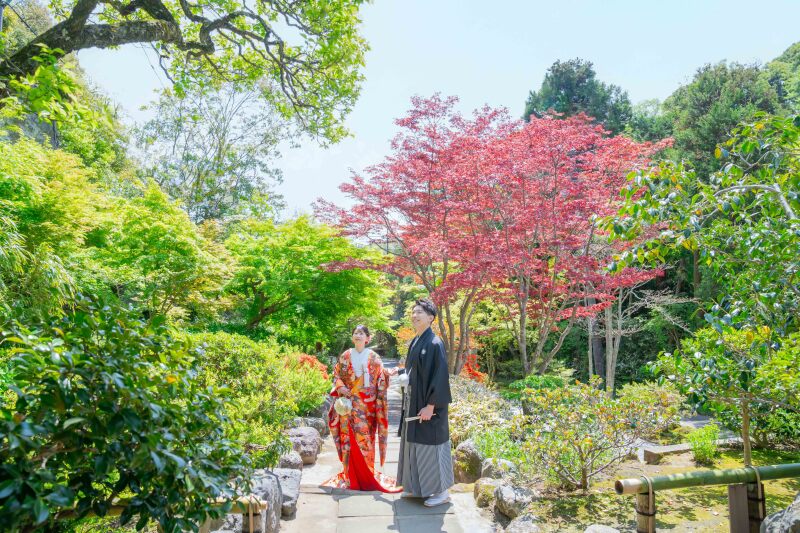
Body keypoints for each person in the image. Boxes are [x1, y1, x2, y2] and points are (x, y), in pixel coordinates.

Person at [324, 325, 400, 492]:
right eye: (355, 333)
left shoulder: (373, 357)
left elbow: (381, 375)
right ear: (353, 338)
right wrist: (340, 387)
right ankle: (350, 475)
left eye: (361, 333)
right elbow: (336, 374)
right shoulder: (345, 356)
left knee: (365, 439)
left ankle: (367, 475)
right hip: (348, 404)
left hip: (367, 407)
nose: (357, 335)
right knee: (348, 440)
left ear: (368, 338)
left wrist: (388, 374)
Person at [397, 298, 454, 507]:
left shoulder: (434, 343)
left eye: (419, 312)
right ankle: (417, 488)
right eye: (413, 311)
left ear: (431, 318)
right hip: (413, 403)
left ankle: (442, 492)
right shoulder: (415, 341)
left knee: (433, 447)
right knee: (414, 446)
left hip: (429, 407)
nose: (415, 315)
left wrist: (431, 405)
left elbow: (439, 377)